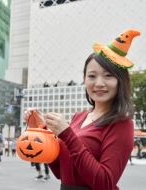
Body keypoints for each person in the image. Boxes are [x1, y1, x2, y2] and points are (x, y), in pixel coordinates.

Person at [24, 29, 140, 190]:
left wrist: (67, 134)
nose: (99, 83)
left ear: (120, 81)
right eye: (92, 76)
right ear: (84, 79)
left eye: (108, 76)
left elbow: (105, 183)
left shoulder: (122, 124)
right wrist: (40, 130)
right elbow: (60, 172)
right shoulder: (79, 116)